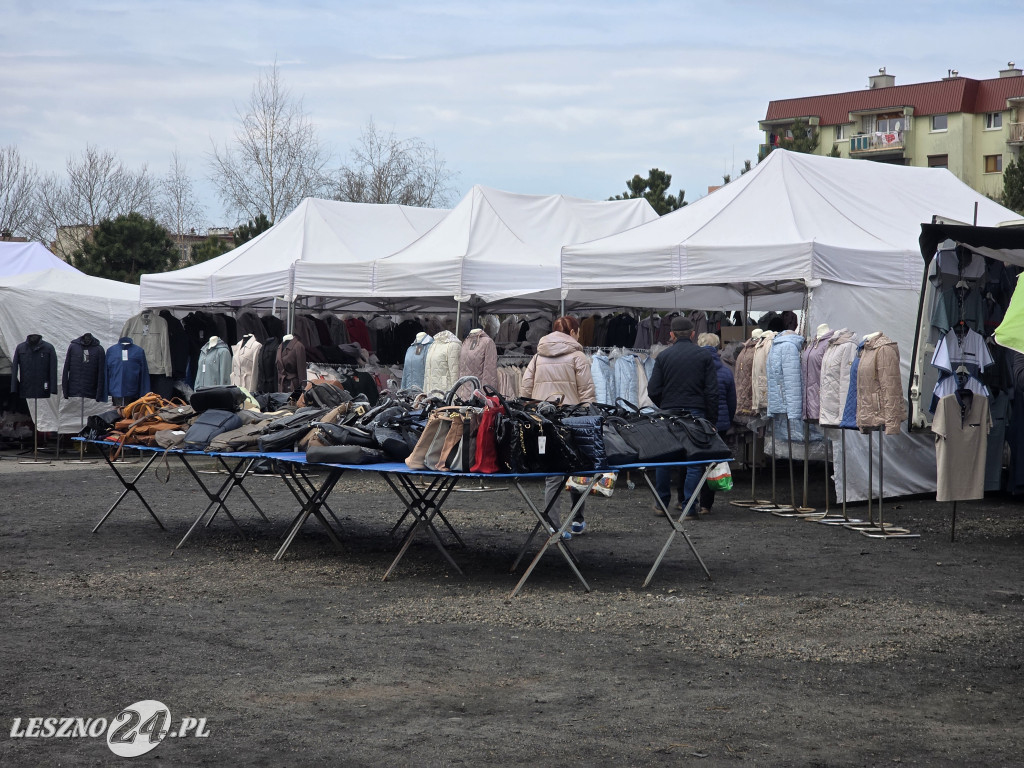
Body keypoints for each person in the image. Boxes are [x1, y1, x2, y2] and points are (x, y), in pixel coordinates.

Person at [521, 315, 596, 539]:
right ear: (572, 333)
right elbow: (587, 393)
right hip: (571, 418)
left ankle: (553, 524)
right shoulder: (578, 356)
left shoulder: (537, 356)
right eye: (578, 331)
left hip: (544, 420)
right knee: (579, 466)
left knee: (552, 473)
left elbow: (525, 389)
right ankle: (577, 519)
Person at [646, 317, 718, 518]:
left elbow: (652, 389)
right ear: (693, 334)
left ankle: (661, 503)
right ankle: (689, 506)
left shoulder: (664, 357)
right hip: (696, 412)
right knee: (694, 460)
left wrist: (665, 404)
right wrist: (710, 420)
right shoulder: (704, 357)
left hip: (669, 412)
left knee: (664, 458)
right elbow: (712, 391)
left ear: (671, 335)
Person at [696, 333, 736, 515]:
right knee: (712, 463)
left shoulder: (693, 370)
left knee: (694, 461)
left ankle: (686, 500)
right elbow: (731, 401)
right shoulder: (726, 371)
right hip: (718, 423)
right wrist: (727, 420)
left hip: (696, 421)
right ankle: (706, 504)